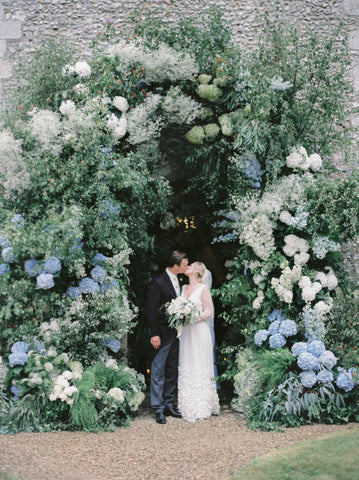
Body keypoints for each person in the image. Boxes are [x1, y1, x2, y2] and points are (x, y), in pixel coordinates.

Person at [147, 250, 189, 424]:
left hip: (176, 333)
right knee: (158, 370)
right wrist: (154, 333)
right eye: (185, 265)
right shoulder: (157, 282)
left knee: (172, 369)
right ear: (175, 265)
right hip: (162, 334)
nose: (187, 267)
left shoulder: (180, 281)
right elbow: (151, 309)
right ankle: (158, 408)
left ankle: (169, 404)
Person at [178, 261, 220, 422]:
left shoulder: (203, 288)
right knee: (187, 363)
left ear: (197, 270)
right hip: (187, 332)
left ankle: (202, 405)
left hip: (199, 330)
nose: (187, 267)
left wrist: (196, 317)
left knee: (200, 364)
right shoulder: (183, 288)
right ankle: (187, 404)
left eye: (191, 265)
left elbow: (210, 311)